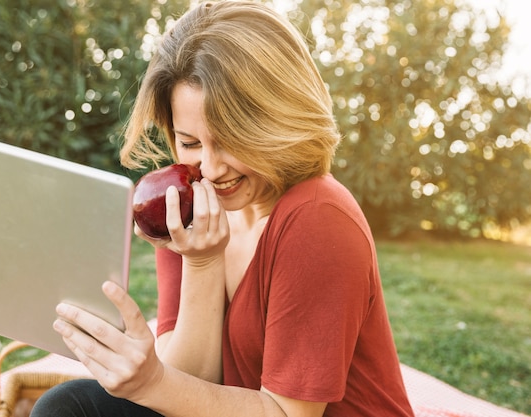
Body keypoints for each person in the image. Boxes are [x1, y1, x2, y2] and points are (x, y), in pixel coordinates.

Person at [30, 1, 415, 416]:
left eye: (231, 139)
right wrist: (202, 262)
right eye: (190, 143)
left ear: (278, 124)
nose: (210, 169)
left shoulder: (318, 219)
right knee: (67, 407)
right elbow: (185, 386)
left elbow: (288, 414)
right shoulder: (184, 200)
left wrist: (152, 380)